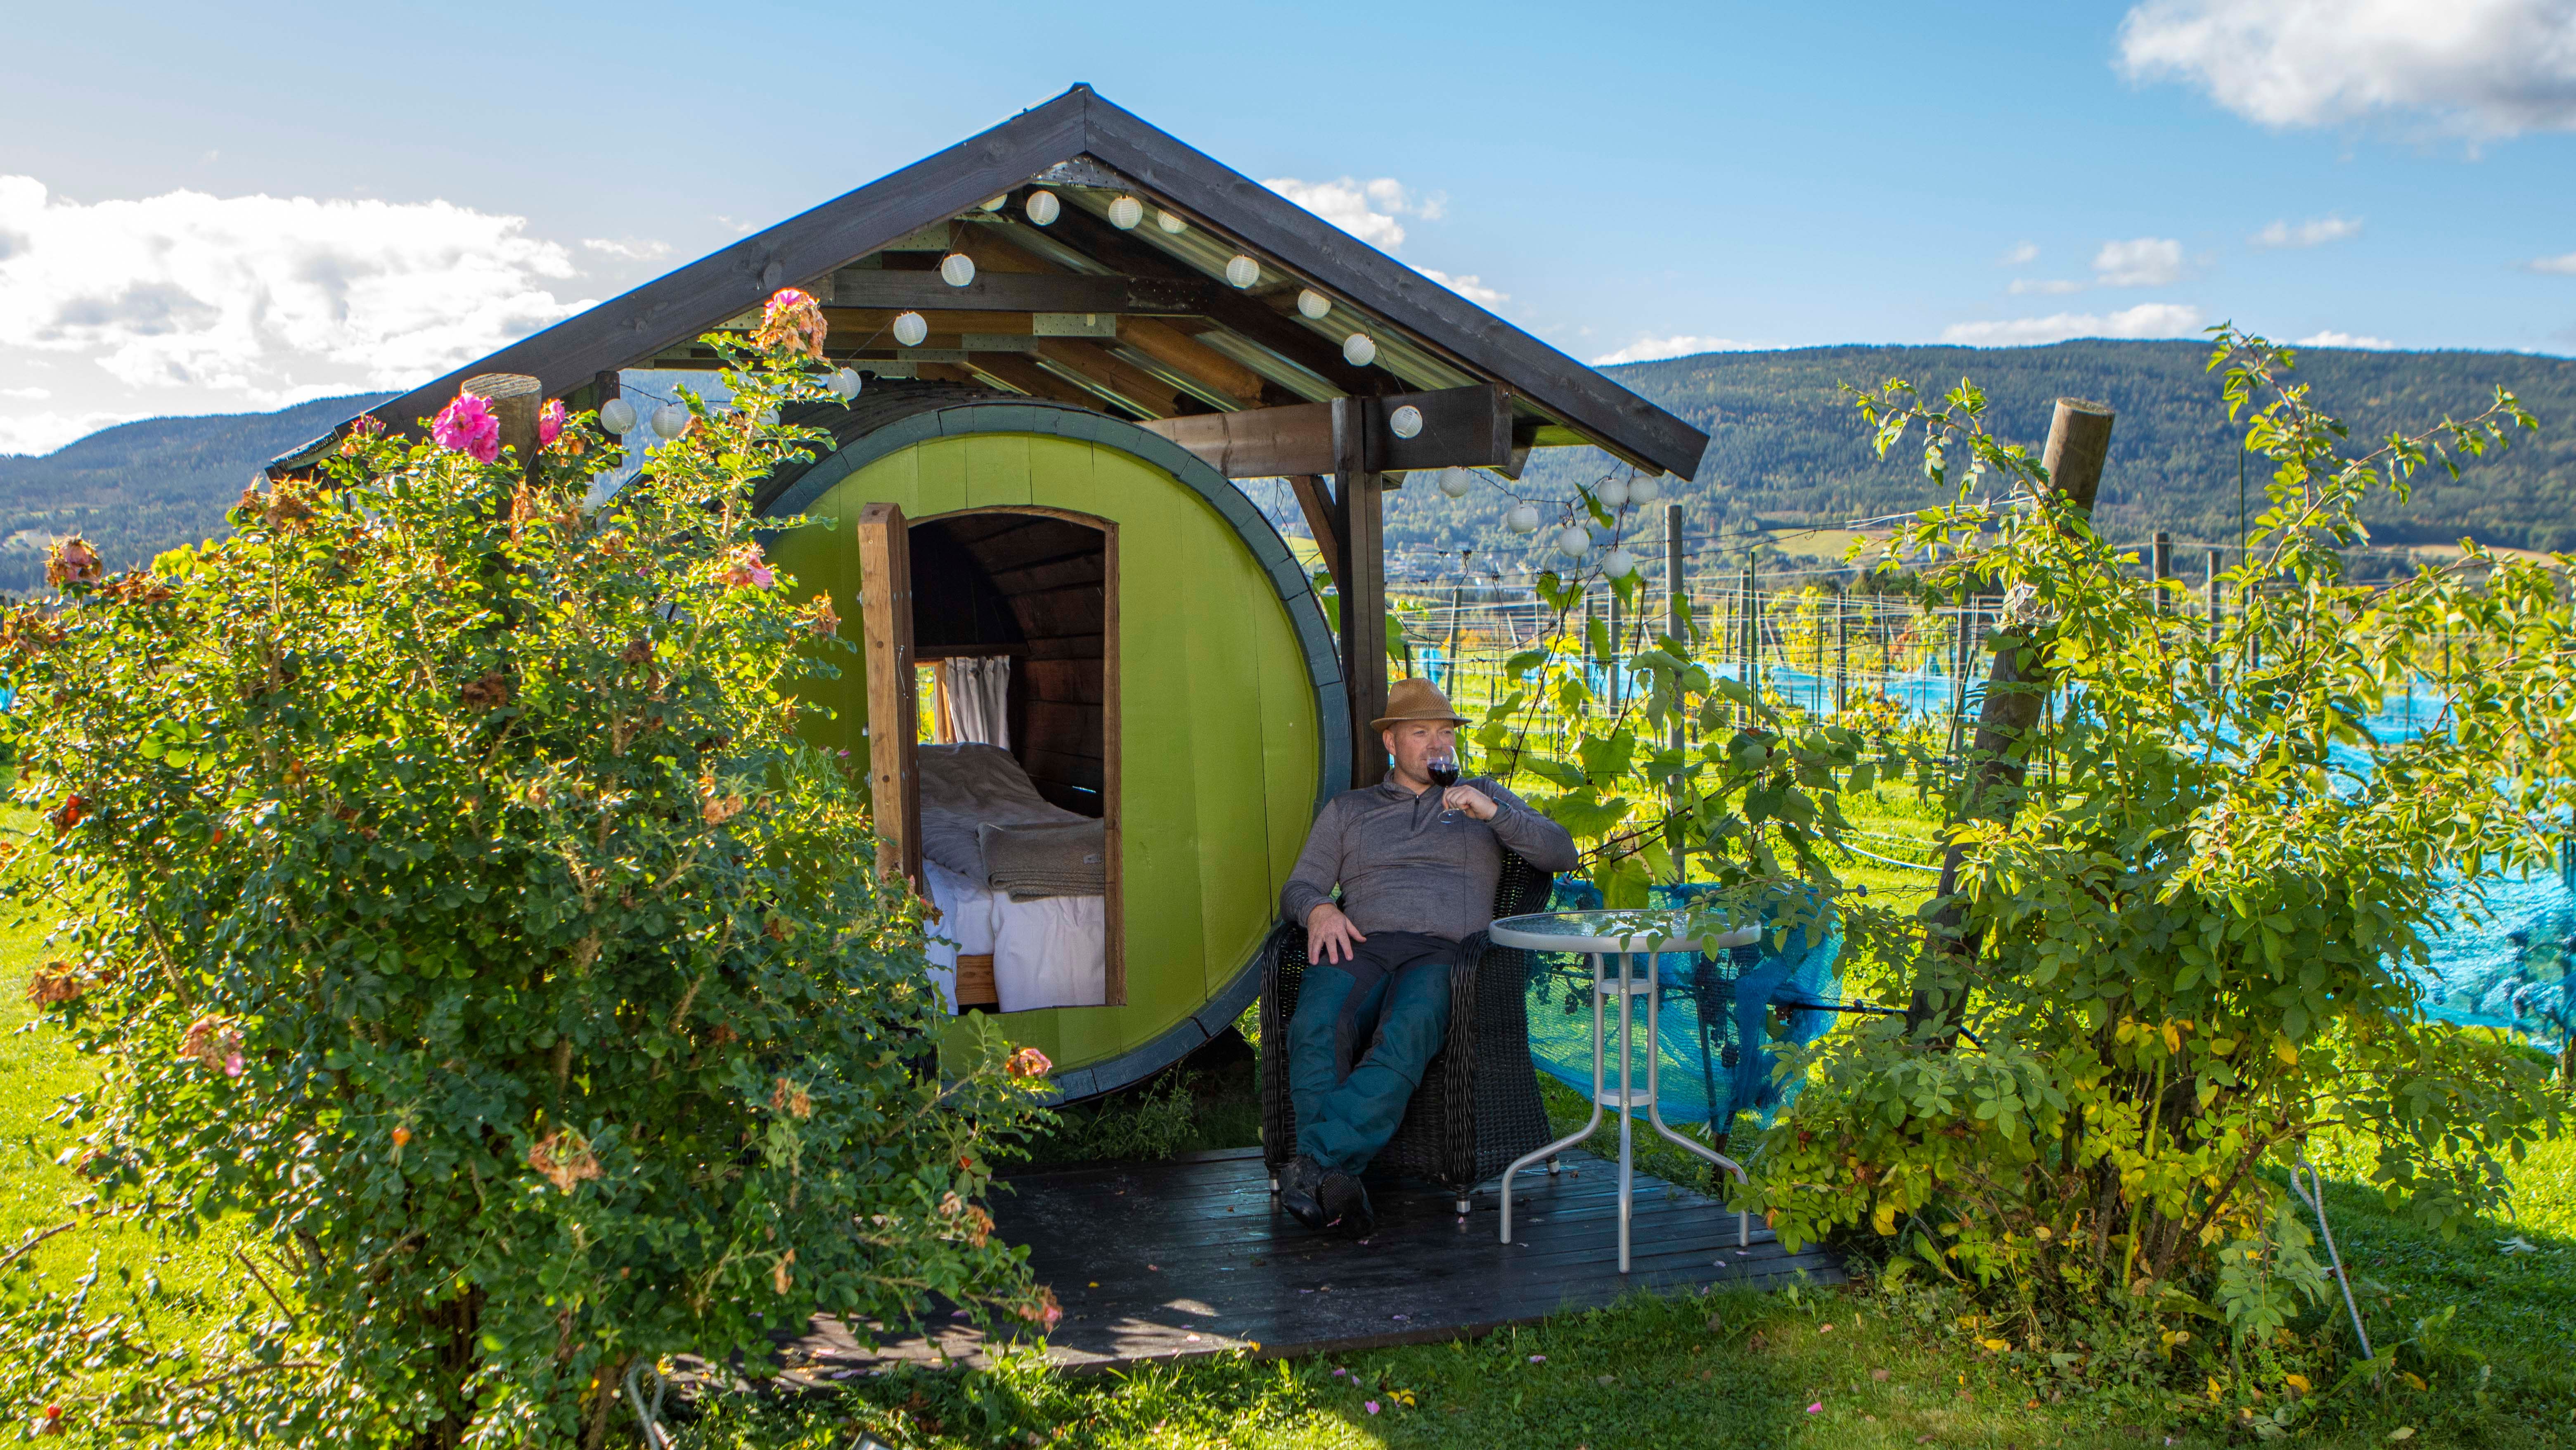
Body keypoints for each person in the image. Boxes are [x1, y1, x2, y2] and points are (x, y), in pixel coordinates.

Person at [1274, 678, 1579, 1235]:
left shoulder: (1481, 798)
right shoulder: (1350, 811)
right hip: (1361, 946)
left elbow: (1562, 851)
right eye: (1421, 733)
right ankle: (1328, 1180)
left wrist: (1494, 814)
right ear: (1391, 742)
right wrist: (1318, 910)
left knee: (1409, 1027)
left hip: (1447, 954)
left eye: (1445, 733)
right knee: (1315, 1023)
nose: (1438, 745)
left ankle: (1314, 1168)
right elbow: (1299, 887)